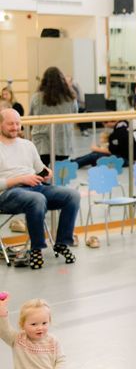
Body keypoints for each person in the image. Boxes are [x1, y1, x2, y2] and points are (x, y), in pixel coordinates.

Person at [0, 108, 79, 269]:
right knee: (37, 199)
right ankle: (36, 249)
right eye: (10, 124)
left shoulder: (28, 145)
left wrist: (46, 173)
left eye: (17, 123)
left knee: (72, 195)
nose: (15, 127)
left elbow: (39, 168)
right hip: (9, 193)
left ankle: (62, 243)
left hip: (36, 186)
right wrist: (21, 179)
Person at [28, 67, 78, 161]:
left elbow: (31, 115)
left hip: (41, 142)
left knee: (42, 173)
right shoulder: (70, 98)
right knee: (61, 173)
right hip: (63, 141)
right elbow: (75, 113)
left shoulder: (36, 97)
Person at [72, 119, 136, 169]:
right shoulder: (126, 125)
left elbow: (111, 151)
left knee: (94, 156)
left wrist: (97, 149)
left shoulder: (117, 133)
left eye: (104, 124)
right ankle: (73, 161)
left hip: (126, 160)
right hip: (130, 157)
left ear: (109, 122)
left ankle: (72, 164)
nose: (105, 127)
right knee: (95, 155)